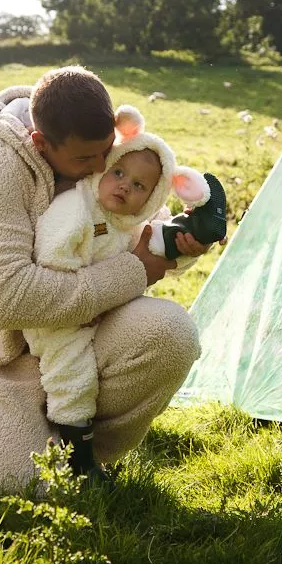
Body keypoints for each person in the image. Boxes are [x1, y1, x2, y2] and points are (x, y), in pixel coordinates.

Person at [0, 66, 222, 490]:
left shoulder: (91, 148)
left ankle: (85, 462)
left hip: (79, 337)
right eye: (87, 159)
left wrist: (175, 241)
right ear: (40, 143)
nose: (101, 167)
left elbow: (132, 232)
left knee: (170, 335)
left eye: (107, 152)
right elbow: (7, 300)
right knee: (22, 486)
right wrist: (134, 271)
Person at [23, 103, 225, 479]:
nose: (124, 186)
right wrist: (85, 303)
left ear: (153, 196)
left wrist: (184, 252)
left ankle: (200, 224)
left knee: (163, 243)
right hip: (60, 315)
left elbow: (155, 255)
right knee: (72, 373)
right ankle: (78, 456)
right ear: (106, 165)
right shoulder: (76, 208)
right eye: (118, 172)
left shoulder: (132, 220)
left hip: (105, 305)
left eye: (139, 186)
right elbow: (51, 256)